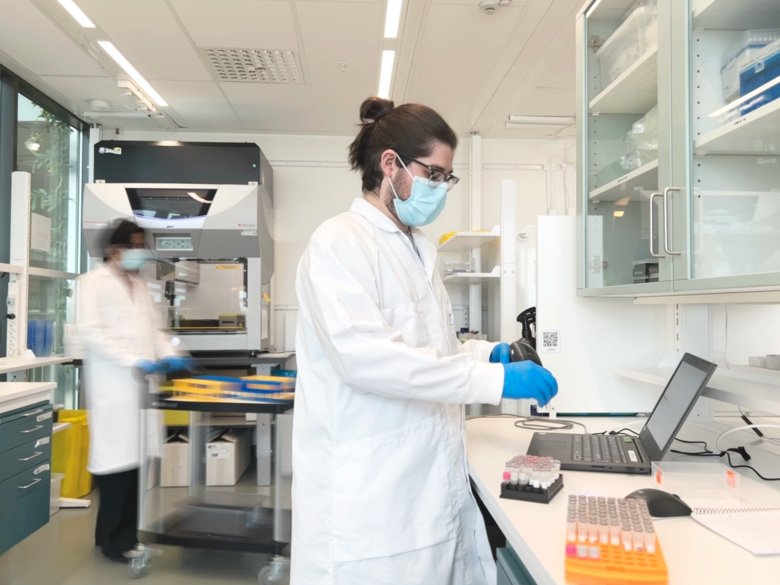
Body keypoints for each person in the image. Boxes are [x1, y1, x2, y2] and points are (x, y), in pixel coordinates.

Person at [291, 97, 558, 585]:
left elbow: (430, 349)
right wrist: (495, 379)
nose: (441, 188)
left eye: (446, 179)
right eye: (434, 174)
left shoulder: (417, 248)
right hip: (371, 497)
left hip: (425, 482)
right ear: (390, 164)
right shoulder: (339, 243)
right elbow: (369, 360)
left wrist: (486, 352)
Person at [76, 219, 189, 562]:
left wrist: (170, 355)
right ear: (114, 250)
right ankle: (117, 544)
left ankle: (116, 536)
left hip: (138, 387)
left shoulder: (139, 286)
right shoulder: (91, 284)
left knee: (134, 466)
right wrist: (133, 361)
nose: (141, 252)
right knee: (116, 470)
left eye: (142, 245)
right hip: (114, 386)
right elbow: (92, 333)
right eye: (135, 246)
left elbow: (154, 331)